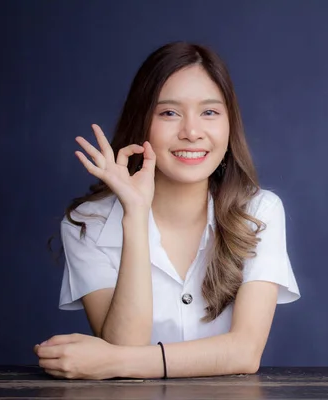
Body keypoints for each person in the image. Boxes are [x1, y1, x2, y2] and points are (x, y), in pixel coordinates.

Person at [34, 42, 300, 380]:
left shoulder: (259, 211)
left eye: (209, 112)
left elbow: (244, 352)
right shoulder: (88, 223)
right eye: (169, 113)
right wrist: (135, 213)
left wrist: (112, 361)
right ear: (142, 121)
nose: (191, 132)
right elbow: (123, 343)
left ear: (230, 123)